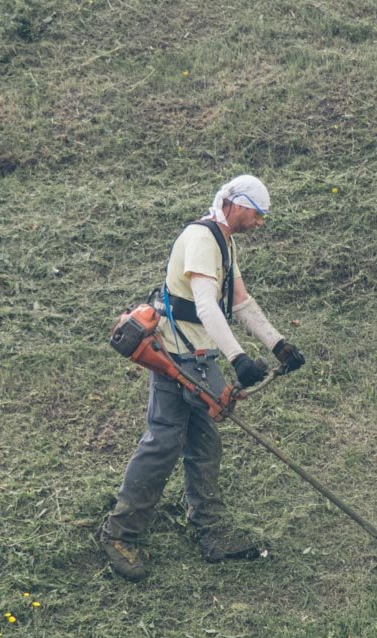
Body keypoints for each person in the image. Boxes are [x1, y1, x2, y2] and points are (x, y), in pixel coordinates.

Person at [98, 175, 306, 582]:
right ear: (236, 204)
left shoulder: (224, 242)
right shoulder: (201, 238)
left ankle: (210, 531)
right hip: (176, 354)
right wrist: (240, 358)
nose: (259, 223)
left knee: (203, 442)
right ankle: (119, 534)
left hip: (196, 352)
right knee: (163, 442)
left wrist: (278, 344)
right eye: (257, 214)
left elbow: (240, 302)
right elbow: (207, 307)